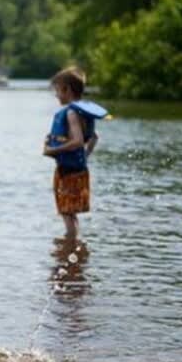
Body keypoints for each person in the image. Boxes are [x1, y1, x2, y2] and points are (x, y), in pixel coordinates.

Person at [44, 68, 107, 239]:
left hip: (68, 171)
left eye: (57, 90)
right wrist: (85, 156)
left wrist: (52, 150)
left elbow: (78, 141)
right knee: (70, 213)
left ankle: (71, 246)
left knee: (67, 212)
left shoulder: (71, 112)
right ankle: (75, 248)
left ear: (67, 90)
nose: (56, 95)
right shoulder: (82, 112)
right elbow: (94, 137)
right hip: (78, 169)